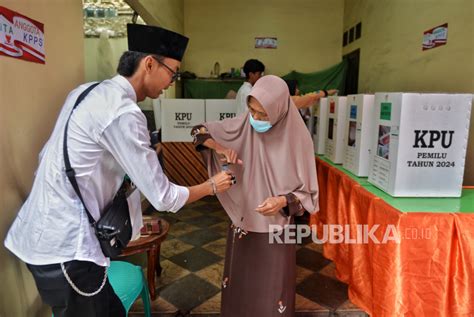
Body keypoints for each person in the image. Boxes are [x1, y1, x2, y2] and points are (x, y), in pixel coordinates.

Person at [4, 24, 233, 317]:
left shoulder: (85, 91)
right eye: (172, 72)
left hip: (45, 234)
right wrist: (212, 185)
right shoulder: (124, 112)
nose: (171, 81)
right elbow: (164, 198)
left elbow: (54, 157)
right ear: (149, 63)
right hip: (68, 248)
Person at [191, 75, 319, 316]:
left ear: (280, 110)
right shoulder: (243, 125)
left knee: (272, 288)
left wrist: (282, 201)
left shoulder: (299, 140)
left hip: (277, 227)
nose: (256, 119)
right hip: (244, 222)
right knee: (241, 283)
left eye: (263, 114)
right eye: (252, 110)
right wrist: (220, 148)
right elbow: (198, 131)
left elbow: (308, 195)